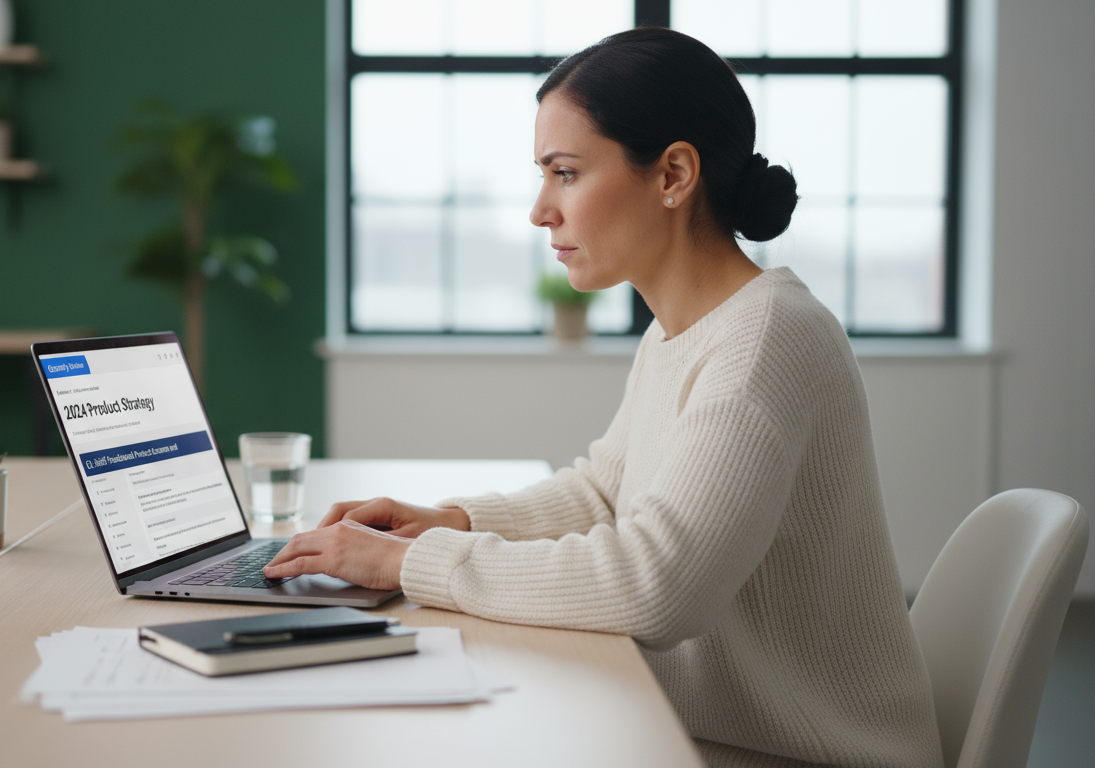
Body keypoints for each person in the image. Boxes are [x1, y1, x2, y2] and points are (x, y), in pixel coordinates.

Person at [265, 26, 942, 767]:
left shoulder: (764, 342)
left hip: (800, 753)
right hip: (713, 734)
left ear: (673, 175)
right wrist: (446, 520)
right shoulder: (684, 332)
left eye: (566, 173)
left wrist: (407, 565)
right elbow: (603, 496)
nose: (539, 210)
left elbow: (657, 588)